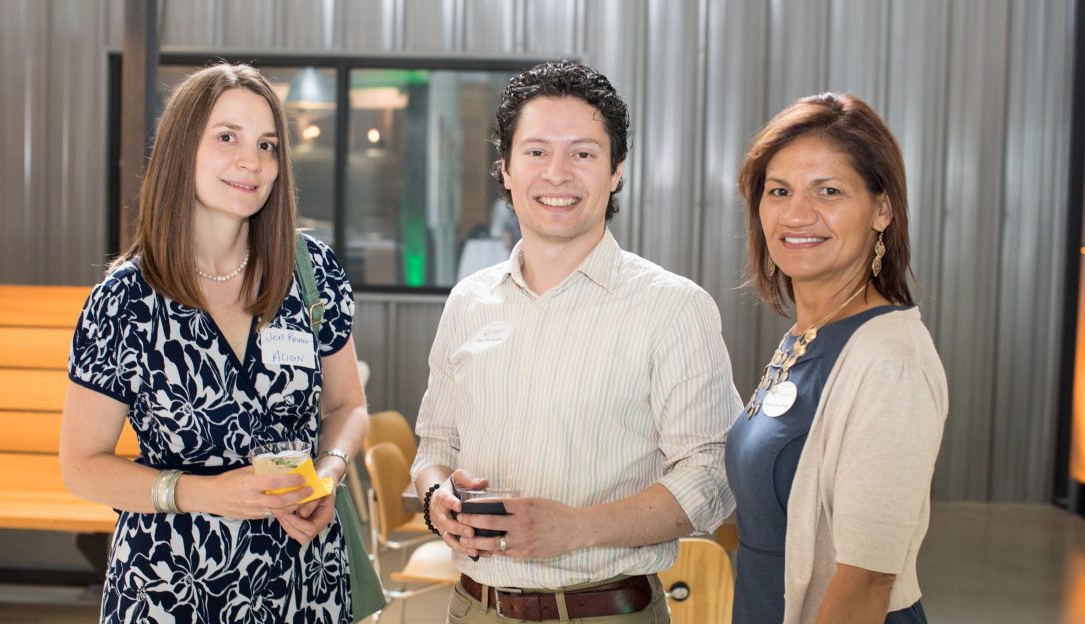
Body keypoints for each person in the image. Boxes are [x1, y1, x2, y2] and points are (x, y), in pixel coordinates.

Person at [410, 60, 741, 623]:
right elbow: (434, 446)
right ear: (506, 169)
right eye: (536, 151)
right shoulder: (469, 301)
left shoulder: (674, 307)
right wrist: (435, 500)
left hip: (605, 611)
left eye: (583, 153)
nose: (557, 174)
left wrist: (576, 528)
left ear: (615, 172)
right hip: (472, 608)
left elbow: (712, 476)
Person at [59, 63, 368, 623]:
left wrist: (329, 472)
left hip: (303, 581)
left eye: (267, 144)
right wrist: (207, 495)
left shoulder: (310, 271)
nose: (252, 161)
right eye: (227, 137)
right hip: (170, 587)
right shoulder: (127, 300)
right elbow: (81, 466)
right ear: (183, 150)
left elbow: (348, 406)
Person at [727, 93, 948, 624]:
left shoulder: (889, 362)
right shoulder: (808, 335)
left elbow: (867, 580)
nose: (798, 213)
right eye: (779, 191)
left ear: (882, 209)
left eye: (829, 190)